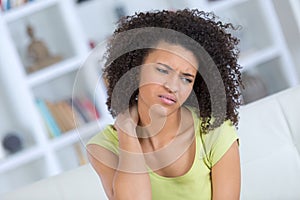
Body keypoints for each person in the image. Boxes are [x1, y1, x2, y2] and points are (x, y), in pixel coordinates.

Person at [87, 9, 242, 200]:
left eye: (186, 79)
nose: (173, 87)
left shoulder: (214, 131)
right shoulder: (104, 147)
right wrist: (127, 134)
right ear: (135, 70)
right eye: (162, 70)